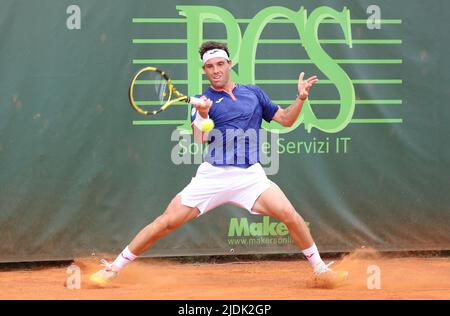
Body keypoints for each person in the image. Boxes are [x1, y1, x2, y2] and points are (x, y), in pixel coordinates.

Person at [90, 41, 347, 285]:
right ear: (204, 70)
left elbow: (286, 120)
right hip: (213, 175)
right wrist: (203, 113)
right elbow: (200, 138)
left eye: (220, 64)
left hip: (250, 176)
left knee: (290, 215)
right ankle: (114, 268)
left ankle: (320, 270)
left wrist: (301, 98)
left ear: (229, 64)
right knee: (165, 222)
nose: (215, 70)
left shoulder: (254, 93)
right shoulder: (201, 100)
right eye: (210, 67)